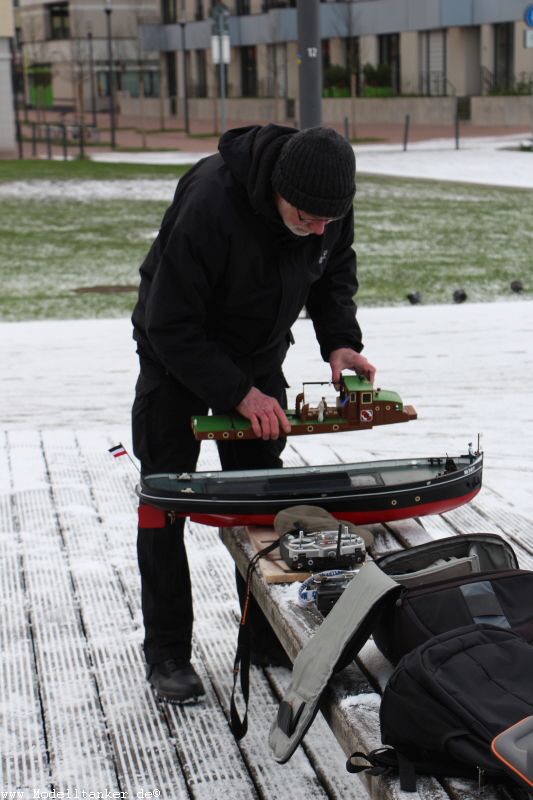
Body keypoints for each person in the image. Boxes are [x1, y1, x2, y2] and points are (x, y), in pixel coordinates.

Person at [131, 123, 376, 704]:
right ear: (277, 190)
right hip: (177, 354)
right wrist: (239, 393)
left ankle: (264, 635)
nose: (320, 227)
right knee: (166, 500)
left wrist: (340, 340)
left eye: (328, 219)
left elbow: (332, 275)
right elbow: (170, 322)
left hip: (259, 350)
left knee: (264, 500)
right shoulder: (210, 202)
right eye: (308, 217)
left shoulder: (326, 202)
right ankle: (167, 651)